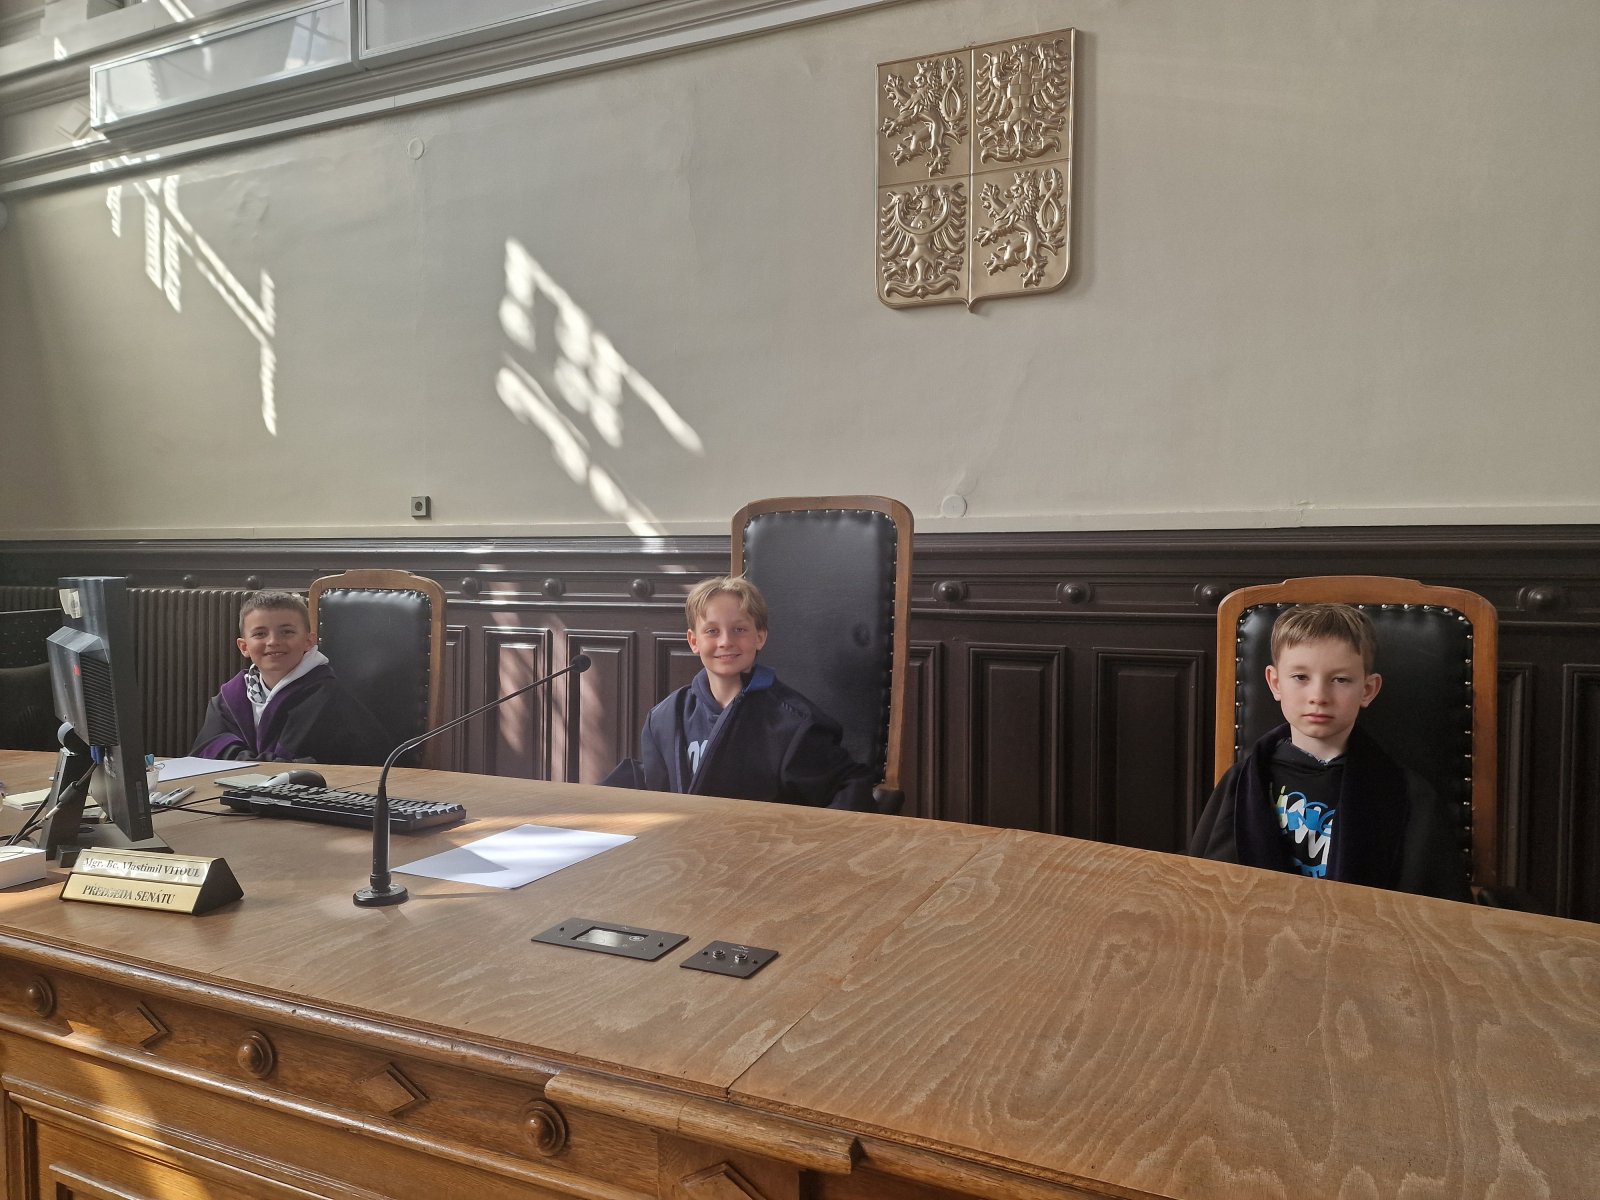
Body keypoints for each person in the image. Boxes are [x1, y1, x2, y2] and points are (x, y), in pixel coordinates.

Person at [1189, 603, 1469, 901]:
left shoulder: (1408, 796)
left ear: (1367, 690)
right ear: (1275, 683)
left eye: (1340, 680)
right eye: (1301, 677)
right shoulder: (1243, 783)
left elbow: (1434, 906)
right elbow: (1201, 891)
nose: (1319, 696)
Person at [606, 576, 876, 811]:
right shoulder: (664, 719)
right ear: (694, 641)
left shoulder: (795, 724)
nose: (725, 641)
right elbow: (656, 798)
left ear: (760, 637)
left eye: (739, 630)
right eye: (712, 631)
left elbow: (851, 787)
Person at [191, 590, 393, 765]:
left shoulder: (326, 698)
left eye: (287, 632)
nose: (273, 641)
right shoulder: (232, 697)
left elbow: (292, 768)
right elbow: (206, 750)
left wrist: (237, 759)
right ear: (244, 647)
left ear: (309, 641)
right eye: (260, 634)